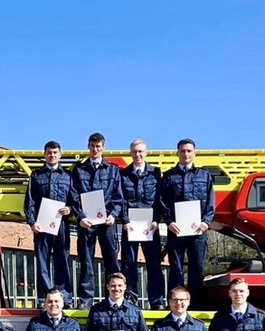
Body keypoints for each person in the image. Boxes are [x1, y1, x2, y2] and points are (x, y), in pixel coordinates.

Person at [158, 138, 214, 306]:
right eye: (183, 151)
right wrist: (169, 222)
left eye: (189, 151)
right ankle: (174, 304)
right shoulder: (168, 177)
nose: (186, 154)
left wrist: (206, 221)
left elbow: (210, 201)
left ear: (194, 153)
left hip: (198, 231)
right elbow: (162, 201)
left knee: (196, 267)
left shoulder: (204, 175)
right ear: (177, 153)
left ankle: (196, 304)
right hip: (176, 231)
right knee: (175, 267)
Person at [70, 132, 123, 309]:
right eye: (92, 146)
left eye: (98, 146)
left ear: (103, 148)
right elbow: (74, 196)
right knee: (86, 260)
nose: (95, 149)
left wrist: (113, 214)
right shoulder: (79, 170)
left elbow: (118, 196)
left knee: (111, 260)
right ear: (88, 146)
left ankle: (114, 298)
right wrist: (80, 217)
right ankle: (86, 300)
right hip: (87, 223)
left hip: (107, 222)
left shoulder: (113, 170)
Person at [24, 140, 74, 307]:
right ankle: (43, 298)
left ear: (60, 154)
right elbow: (29, 201)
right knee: (42, 261)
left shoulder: (68, 176)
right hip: (41, 225)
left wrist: (70, 208)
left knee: (62, 259)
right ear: (44, 154)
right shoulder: (36, 176)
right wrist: (32, 222)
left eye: (55, 152)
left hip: (62, 225)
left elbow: (75, 200)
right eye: (49, 152)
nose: (52, 155)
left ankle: (64, 298)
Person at [120, 138, 165, 309]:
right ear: (130, 153)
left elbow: (160, 199)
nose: (137, 154)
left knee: (154, 263)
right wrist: (124, 220)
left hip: (149, 227)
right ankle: (131, 299)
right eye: (134, 151)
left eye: (141, 151)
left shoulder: (156, 173)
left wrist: (156, 220)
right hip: (130, 226)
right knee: (128, 263)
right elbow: (121, 200)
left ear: (146, 153)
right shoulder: (123, 174)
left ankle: (156, 300)